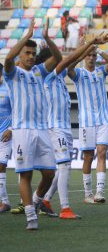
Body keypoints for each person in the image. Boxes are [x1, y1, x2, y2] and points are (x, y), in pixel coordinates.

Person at [40, 34, 108, 219]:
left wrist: (89, 47)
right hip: (54, 127)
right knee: (63, 166)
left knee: (62, 166)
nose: (58, 61)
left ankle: (44, 200)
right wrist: (91, 44)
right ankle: (64, 208)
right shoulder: (48, 77)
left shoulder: (59, 77)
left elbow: (75, 58)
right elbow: (71, 60)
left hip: (63, 128)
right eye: (54, 59)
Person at [3, 19, 62, 229]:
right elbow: (8, 58)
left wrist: (46, 37)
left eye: (32, 53)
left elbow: (58, 57)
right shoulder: (12, 74)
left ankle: (36, 202)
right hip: (22, 131)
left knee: (49, 173)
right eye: (27, 53)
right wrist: (26, 37)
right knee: (25, 174)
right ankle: (31, 217)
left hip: (42, 130)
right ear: (21, 54)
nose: (30, 57)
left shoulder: (39, 71)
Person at [68, 35, 108, 204]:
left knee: (102, 153)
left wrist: (99, 49)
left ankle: (100, 191)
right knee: (88, 156)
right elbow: (68, 67)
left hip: (103, 119)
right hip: (86, 121)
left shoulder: (101, 71)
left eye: (94, 56)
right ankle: (87, 193)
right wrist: (84, 50)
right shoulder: (79, 73)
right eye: (90, 55)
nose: (92, 58)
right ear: (85, 57)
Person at [0, 63, 12, 213]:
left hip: (6, 135)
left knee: (1, 166)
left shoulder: (8, 89)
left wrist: (11, 129)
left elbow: (17, 109)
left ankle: (5, 202)